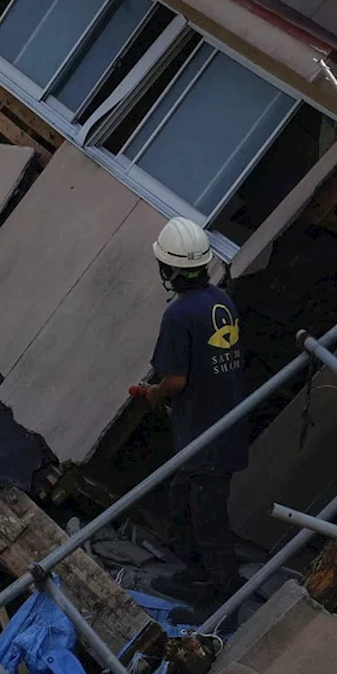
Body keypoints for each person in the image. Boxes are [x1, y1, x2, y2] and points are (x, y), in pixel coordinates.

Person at [129, 217, 247, 609]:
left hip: (203, 435)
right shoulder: (221, 301)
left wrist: (154, 394)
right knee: (183, 504)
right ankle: (197, 572)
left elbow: (176, 381)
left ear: (169, 269)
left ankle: (222, 592)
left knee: (206, 517)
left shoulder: (178, 315)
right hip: (223, 425)